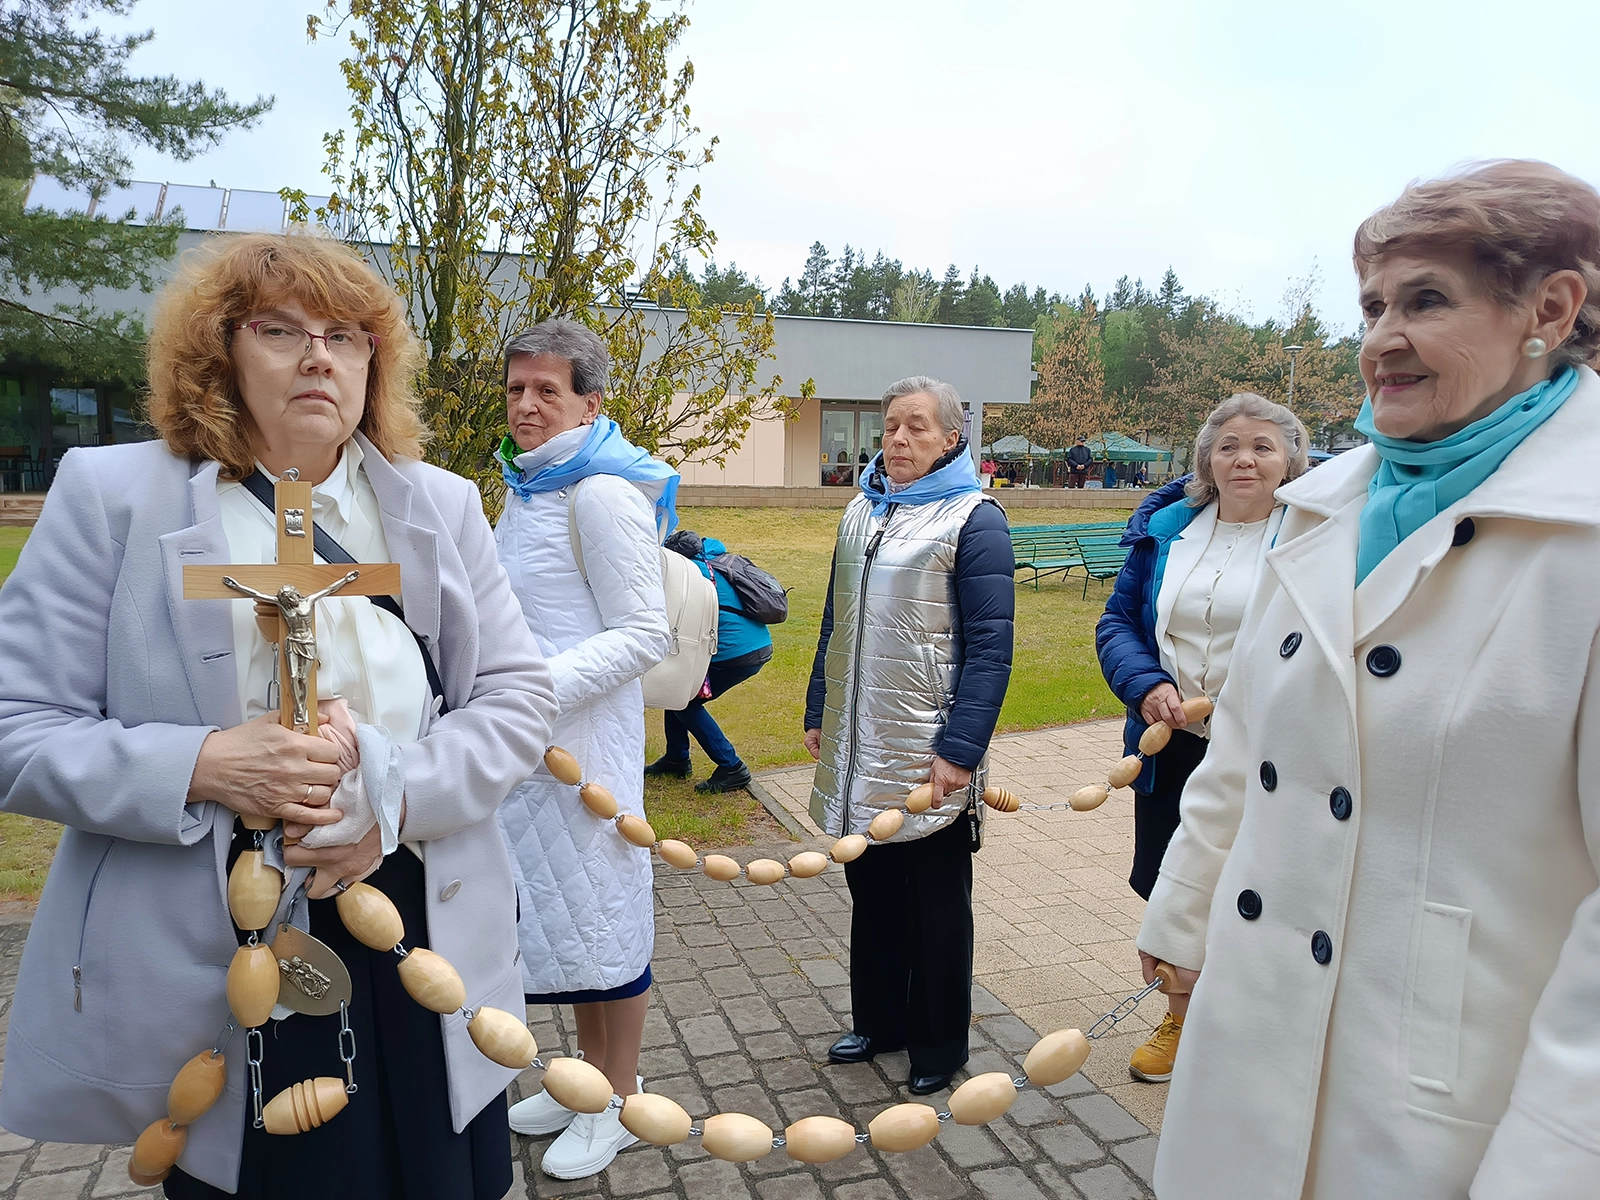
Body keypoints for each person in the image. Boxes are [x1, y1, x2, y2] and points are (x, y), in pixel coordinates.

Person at [0, 232, 557, 1199]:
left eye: (345, 337)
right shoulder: (113, 498)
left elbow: (517, 699)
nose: (318, 358)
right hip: (225, 928)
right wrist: (205, 765)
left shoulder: (440, 504)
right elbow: (16, 724)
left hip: (417, 902)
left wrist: (394, 793)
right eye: (280, 330)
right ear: (220, 350)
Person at [1136, 159, 1600, 1199]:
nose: (1381, 338)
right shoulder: (1321, 508)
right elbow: (1246, 745)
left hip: (1442, 1100)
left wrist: (1552, 1167)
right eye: (1372, 306)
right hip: (1250, 1034)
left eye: (1424, 301)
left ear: (1550, 309)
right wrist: (1184, 913)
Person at [492, 319, 672, 1180]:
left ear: (588, 404)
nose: (527, 406)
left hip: (585, 756)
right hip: (526, 755)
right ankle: (581, 1083)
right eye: (516, 389)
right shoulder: (527, 488)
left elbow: (645, 633)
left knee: (607, 925)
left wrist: (533, 690)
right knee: (562, 930)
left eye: (547, 391)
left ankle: (619, 1100)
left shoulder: (599, 493)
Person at [804, 376, 1015, 1096]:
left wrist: (960, 750)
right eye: (892, 425)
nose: (898, 438)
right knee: (873, 895)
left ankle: (938, 1044)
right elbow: (836, 619)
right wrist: (819, 708)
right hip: (860, 745)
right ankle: (880, 1022)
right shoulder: (862, 510)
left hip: (928, 753)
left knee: (936, 911)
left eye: (917, 427)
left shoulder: (975, 520)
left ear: (952, 439)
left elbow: (991, 649)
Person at [1095, 394, 1307, 1085]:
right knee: (1170, 881)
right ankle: (1181, 1015)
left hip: (1267, 751)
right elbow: (1118, 623)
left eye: (1263, 446)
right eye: (1229, 446)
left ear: (1291, 461)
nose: (1245, 459)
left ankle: (1246, 1019)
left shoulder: (1314, 534)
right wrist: (1146, 684)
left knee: (1256, 887)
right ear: (1207, 460)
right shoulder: (1168, 532)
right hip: (1172, 744)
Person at [645, 530, 773, 793]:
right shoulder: (716, 561)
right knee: (677, 688)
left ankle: (732, 767)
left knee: (686, 703)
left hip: (734, 653)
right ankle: (676, 758)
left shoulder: (689, 573)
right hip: (756, 644)